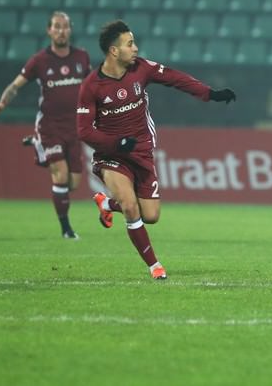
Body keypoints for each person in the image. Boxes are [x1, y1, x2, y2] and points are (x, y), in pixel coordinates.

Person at [77, 20, 236, 281]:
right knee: (131, 207)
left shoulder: (141, 69)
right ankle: (155, 267)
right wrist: (116, 144)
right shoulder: (92, 86)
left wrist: (210, 94)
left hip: (141, 152)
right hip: (112, 155)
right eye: (130, 44)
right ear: (114, 51)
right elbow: (84, 131)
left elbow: (175, 78)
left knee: (150, 215)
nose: (136, 48)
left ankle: (106, 203)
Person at [0, 11, 91, 239]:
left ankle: (37, 145)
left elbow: (91, 85)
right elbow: (15, 85)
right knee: (60, 175)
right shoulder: (39, 60)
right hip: (50, 126)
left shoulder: (82, 57)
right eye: (57, 26)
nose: (61, 31)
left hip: (74, 126)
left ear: (70, 30)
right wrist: (2, 103)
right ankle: (66, 230)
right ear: (49, 30)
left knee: (73, 183)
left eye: (65, 26)